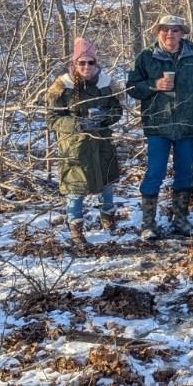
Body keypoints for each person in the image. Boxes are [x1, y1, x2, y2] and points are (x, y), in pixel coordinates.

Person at [127, 15, 193, 240]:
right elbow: (131, 88)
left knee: (185, 173)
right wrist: (153, 85)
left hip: (188, 124)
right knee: (154, 173)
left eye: (175, 30)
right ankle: (148, 223)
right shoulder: (147, 57)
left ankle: (180, 218)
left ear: (182, 33)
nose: (170, 34)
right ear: (158, 32)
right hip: (159, 124)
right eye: (165, 30)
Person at [47, 38, 123, 246]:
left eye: (91, 62)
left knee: (108, 184)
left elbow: (117, 110)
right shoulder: (63, 87)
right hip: (75, 147)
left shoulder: (106, 84)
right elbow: (52, 119)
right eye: (82, 63)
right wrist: (77, 124)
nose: (86, 67)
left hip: (102, 144)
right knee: (75, 188)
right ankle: (76, 230)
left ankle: (108, 221)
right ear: (74, 64)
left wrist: (105, 117)